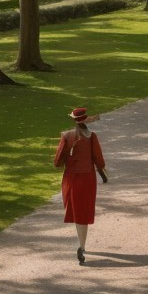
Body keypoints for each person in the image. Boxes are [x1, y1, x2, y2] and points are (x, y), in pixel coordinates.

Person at [53, 107, 107, 265]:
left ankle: (81, 245)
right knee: (85, 209)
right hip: (88, 177)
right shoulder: (92, 137)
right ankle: (82, 245)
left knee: (76, 209)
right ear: (85, 119)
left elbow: (57, 162)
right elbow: (100, 160)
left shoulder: (67, 136)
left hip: (72, 177)